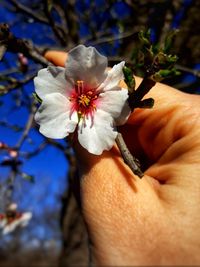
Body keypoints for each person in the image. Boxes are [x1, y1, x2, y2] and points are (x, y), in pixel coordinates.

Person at [45, 50, 200, 265]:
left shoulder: (107, 102)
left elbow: (119, 107)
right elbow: (48, 84)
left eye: (87, 96)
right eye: (82, 97)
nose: (84, 97)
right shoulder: (56, 87)